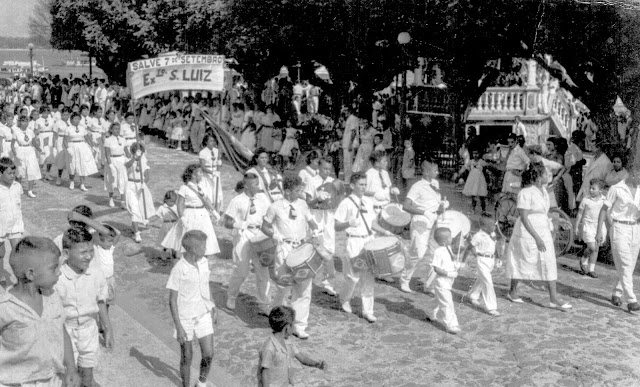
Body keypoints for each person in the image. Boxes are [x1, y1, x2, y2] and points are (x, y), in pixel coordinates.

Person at [0, 237, 81, 387]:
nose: (59, 273)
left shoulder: (52, 297)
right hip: (16, 382)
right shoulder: (6, 307)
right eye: (54, 268)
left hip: (52, 379)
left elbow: (61, 331)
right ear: (31, 274)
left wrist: (71, 368)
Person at [505, 162, 572, 310]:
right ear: (538, 177)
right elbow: (524, 217)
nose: (550, 176)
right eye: (546, 174)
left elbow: (541, 211)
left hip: (543, 230)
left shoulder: (544, 191)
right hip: (527, 232)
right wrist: (536, 238)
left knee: (549, 261)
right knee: (521, 259)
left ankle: (553, 298)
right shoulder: (525, 193)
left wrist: (557, 219)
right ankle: (512, 291)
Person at [261, 176, 318, 339]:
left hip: (301, 248)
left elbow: (311, 221)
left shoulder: (302, 204)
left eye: (301, 190)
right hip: (284, 247)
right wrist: (274, 234)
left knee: (304, 288)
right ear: (287, 191)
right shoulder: (275, 206)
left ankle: (299, 325)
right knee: (284, 287)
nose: (301, 193)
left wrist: (316, 230)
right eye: (297, 190)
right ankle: (277, 317)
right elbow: (265, 226)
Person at [55, 227, 113, 387]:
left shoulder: (96, 274)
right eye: (83, 252)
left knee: (87, 373)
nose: (88, 257)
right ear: (66, 254)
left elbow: (101, 301)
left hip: (89, 331)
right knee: (69, 377)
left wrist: (108, 328)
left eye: (91, 251)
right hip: (65, 333)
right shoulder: (57, 278)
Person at [335, 172, 390, 323]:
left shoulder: (368, 201)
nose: (364, 187)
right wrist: (348, 223)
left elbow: (372, 222)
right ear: (352, 186)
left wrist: (384, 231)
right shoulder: (346, 203)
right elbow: (336, 225)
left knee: (369, 277)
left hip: (368, 241)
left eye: (365, 184)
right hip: (354, 242)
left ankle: (368, 310)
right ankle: (344, 299)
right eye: (361, 184)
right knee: (353, 277)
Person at [167, 230, 218, 387]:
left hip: (203, 313)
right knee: (187, 356)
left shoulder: (204, 263)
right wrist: (179, 327)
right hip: (185, 317)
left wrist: (213, 306)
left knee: (208, 354)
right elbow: (172, 300)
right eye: (203, 246)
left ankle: (201, 383)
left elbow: (205, 285)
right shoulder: (179, 269)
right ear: (193, 249)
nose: (205, 249)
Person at [223, 173, 272, 314]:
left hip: (260, 236)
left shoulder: (262, 198)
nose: (258, 187)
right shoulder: (237, 201)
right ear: (246, 185)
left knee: (263, 270)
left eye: (258, 184)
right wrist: (244, 224)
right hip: (243, 235)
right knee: (241, 270)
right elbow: (227, 222)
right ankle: (231, 296)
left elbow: (269, 216)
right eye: (255, 184)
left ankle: (265, 302)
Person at [401, 159, 449, 294]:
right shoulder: (417, 186)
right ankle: (405, 279)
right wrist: (424, 212)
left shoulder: (435, 183)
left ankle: (429, 284)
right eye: (435, 170)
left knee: (437, 253)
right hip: (420, 221)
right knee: (419, 253)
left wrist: (442, 205)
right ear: (427, 172)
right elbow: (406, 205)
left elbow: (434, 202)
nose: (438, 172)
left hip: (434, 220)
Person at [596, 167, 640, 312]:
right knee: (625, 263)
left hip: (635, 228)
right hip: (619, 228)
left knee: (630, 265)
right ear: (633, 173)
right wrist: (599, 231)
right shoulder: (616, 188)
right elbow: (604, 209)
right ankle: (631, 299)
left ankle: (617, 292)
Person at [257, 306, 327, 387]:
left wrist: (317, 364)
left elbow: (302, 358)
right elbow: (265, 372)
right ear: (287, 327)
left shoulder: (288, 341)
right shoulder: (270, 347)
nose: (294, 327)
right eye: (293, 324)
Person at [162, 164, 220, 258]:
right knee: (189, 238)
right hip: (190, 214)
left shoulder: (201, 186)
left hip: (202, 215)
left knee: (204, 237)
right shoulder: (184, 188)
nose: (202, 174)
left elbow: (206, 201)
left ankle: (200, 259)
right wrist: (182, 218)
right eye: (200, 173)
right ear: (193, 175)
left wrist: (214, 213)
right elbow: (180, 204)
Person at [304, 157, 338, 296]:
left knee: (329, 249)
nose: (327, 171)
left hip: (328, 217)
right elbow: (307, 203)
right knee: (315, 248)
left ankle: (326, 281)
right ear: (318, 168)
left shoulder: (332, 182)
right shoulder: (312, 181)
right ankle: (308, 281)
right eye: (324, 169)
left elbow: (338, 199)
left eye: (329, 169)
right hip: (316, 216)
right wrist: (317, 199)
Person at [462, 215, 501, 317]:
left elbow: (494, 246)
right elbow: (469, 247)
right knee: (488, 282)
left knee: (481, 279)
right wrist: (462, 261)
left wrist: (498, 258)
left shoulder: (492, 234)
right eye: (492, 225)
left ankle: (472, 295)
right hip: (482, 260)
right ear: (484, 227)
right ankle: (491, 307)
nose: (495, 227)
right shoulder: (478, 236)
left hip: (491, 260)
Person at [427, 228, 462, 334]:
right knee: (447, 303)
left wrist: (456, 265)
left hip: (449, 281)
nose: (452, 239)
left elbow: (450, 261)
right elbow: (436, 269)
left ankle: (431, 313)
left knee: (439, 299)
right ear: (443, 241)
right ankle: (451, 324)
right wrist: (450, 273)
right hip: (442, 281)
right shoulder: (438, 252)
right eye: (450, 237)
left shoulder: (448, 248)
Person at [575, 178, 606, 278]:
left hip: (599, 226)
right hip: (588, 225)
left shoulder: (604, 200)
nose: (591, 190)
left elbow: (607, 213)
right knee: (592, 247)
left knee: (596, 248)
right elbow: (579, 214)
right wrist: (576, 227)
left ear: (600, 190)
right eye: (590, 188)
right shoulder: (585, 200)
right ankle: (584, 258)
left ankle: (592, 269)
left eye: (594, 188)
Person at [124, 142, 155, 243]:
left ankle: (141, 222)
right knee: (134, 209)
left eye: (140, 152)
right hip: (130, 185)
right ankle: (136, 233)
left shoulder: (144, 161)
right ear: (133, 151)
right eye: (137, 151)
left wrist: (143, 183)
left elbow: (147, 176)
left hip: (140, 186)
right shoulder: (128, 158)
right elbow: (127, 166)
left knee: (142, 206)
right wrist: (134, 158)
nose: (139, 153)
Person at [0, 157, 24, 287]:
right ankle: (1, 275)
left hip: (15, 225)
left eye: (14, 173)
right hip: (1, 225)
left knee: (18, 252)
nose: (13, 176)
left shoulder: (17, 186)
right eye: (9, 173)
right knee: (0, 253)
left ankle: (20, 278)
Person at [93, 224, 121, 328]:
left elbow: (118, 233)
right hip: (100, 281)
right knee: (99, 302)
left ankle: (103, 321)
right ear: (100, 240)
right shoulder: (97, 248)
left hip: (110, 279)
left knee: (108, 301)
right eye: (109, 241)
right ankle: (98, 321)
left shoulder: (110, 249)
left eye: (111, 240)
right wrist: (101, 229)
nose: (111, 243)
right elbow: (93, 235)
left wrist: (108, 226)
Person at [64, 112, 98, 191]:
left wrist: (92, 146)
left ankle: (82, 184)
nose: (77, 120)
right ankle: (71, 182)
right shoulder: (68, 128)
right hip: (72, 147)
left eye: (78, 119)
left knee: (82, 165)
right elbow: (65, 141)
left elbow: (87, 138)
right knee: (72, 165)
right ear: (71, 120)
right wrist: (68, 149)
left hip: (82, 147)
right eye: (75, 118)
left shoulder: (82, 128)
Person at [12, 116, 41, 198]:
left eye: (26, 121)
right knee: (20, 171)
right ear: (20, 122)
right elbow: (12, 144)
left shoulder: (30, 131)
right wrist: (15, 154)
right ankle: (19, 189)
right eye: (23, 121)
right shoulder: (16, 131)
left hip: (30, 151)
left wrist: (39, 149)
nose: (25, 123)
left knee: (31, 170)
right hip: (20, 150)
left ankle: (30, 190)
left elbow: (33, 142)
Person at [365, 151, 400, 216]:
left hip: (386, 206)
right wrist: (374, 194)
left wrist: (392, 190)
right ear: (377, 163)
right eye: (384, 161)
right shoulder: (369, 174)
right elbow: (363, 191)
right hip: (374, 208)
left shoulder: (385, 173)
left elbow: (388, 187)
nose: (387, 163)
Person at [148, 190, 179, 260]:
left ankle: (174, 255)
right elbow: (156, 216)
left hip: (174, 226)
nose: (172, 203)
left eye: (174, 201)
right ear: (166, 200)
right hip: (166, 226)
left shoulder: (176, 207)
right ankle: (164, 252)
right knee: (167, 241)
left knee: (174, 241)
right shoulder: (162, 208)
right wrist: (148, 220)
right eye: (171, 201)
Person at [103, 123, 128, 208]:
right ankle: (111, 199)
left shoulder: (123, 139)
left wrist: (133, 158)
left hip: (121, 161)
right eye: (115, 129)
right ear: (111, 130)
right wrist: (110, 164)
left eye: (118, 129)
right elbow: (107, 154)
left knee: (123, 181)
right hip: (112, 161)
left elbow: (126, 152)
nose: (117, 130)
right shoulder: (108, 140)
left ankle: (123, 201)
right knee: (112, 182)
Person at [456, 149, 488, 215]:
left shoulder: (481, 162)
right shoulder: (471, 161)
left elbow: (486, 167)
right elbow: (465, 167)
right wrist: (459, 173)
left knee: (482, 195)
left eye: (477, 153)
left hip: (480, 180)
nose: (475, 155)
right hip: (473, 180)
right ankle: (473, 209)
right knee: (473, 195)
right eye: (474, 154)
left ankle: (483, 210)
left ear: (479, 154)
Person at [199, 134, 223, 212]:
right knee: (209, 191)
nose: (212, 143)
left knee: (217, 192)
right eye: (210, 141)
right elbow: (203, 167)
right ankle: (209, 209)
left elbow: (218, 164)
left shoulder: (217, 150)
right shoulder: (203, 152)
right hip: (207, 174)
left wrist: (220, 163)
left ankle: (217, 209)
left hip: (216, 174)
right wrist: (212, 172)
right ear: (206, 142)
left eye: (213, 141)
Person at [35, 106, 56, 181]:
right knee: (42, 157)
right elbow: (36, 132)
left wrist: (54, 142)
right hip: (42, 138)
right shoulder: (38, 120)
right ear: (41, 112)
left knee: (50, 157)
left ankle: (47, 174)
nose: (45, 113)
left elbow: (54, 130)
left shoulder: (52, 120)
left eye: (47, 111)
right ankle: (40, 174)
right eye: (44, 112)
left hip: (50, 136)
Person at [53, 107, 71, 186]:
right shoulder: (58, 122)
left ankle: (70, 178)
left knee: (70, 158)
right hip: (60, 140)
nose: (65, 116)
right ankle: (59, 177)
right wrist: (54, 145)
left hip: (69, 141)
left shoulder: (71, 122)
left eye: (67, 114)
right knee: (61, 158)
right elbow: (55, 134)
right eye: (64, 114)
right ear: (61, 115)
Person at [342, 109, 358, 182]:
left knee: (348, 162)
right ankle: (347, 178)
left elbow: (353, 131)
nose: (343, 113)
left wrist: (350, 144)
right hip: (346, 143)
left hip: (349, 144)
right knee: (346, 162)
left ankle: (348, 179)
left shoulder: (352, 119)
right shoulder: (349, 119)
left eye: (345, 111)